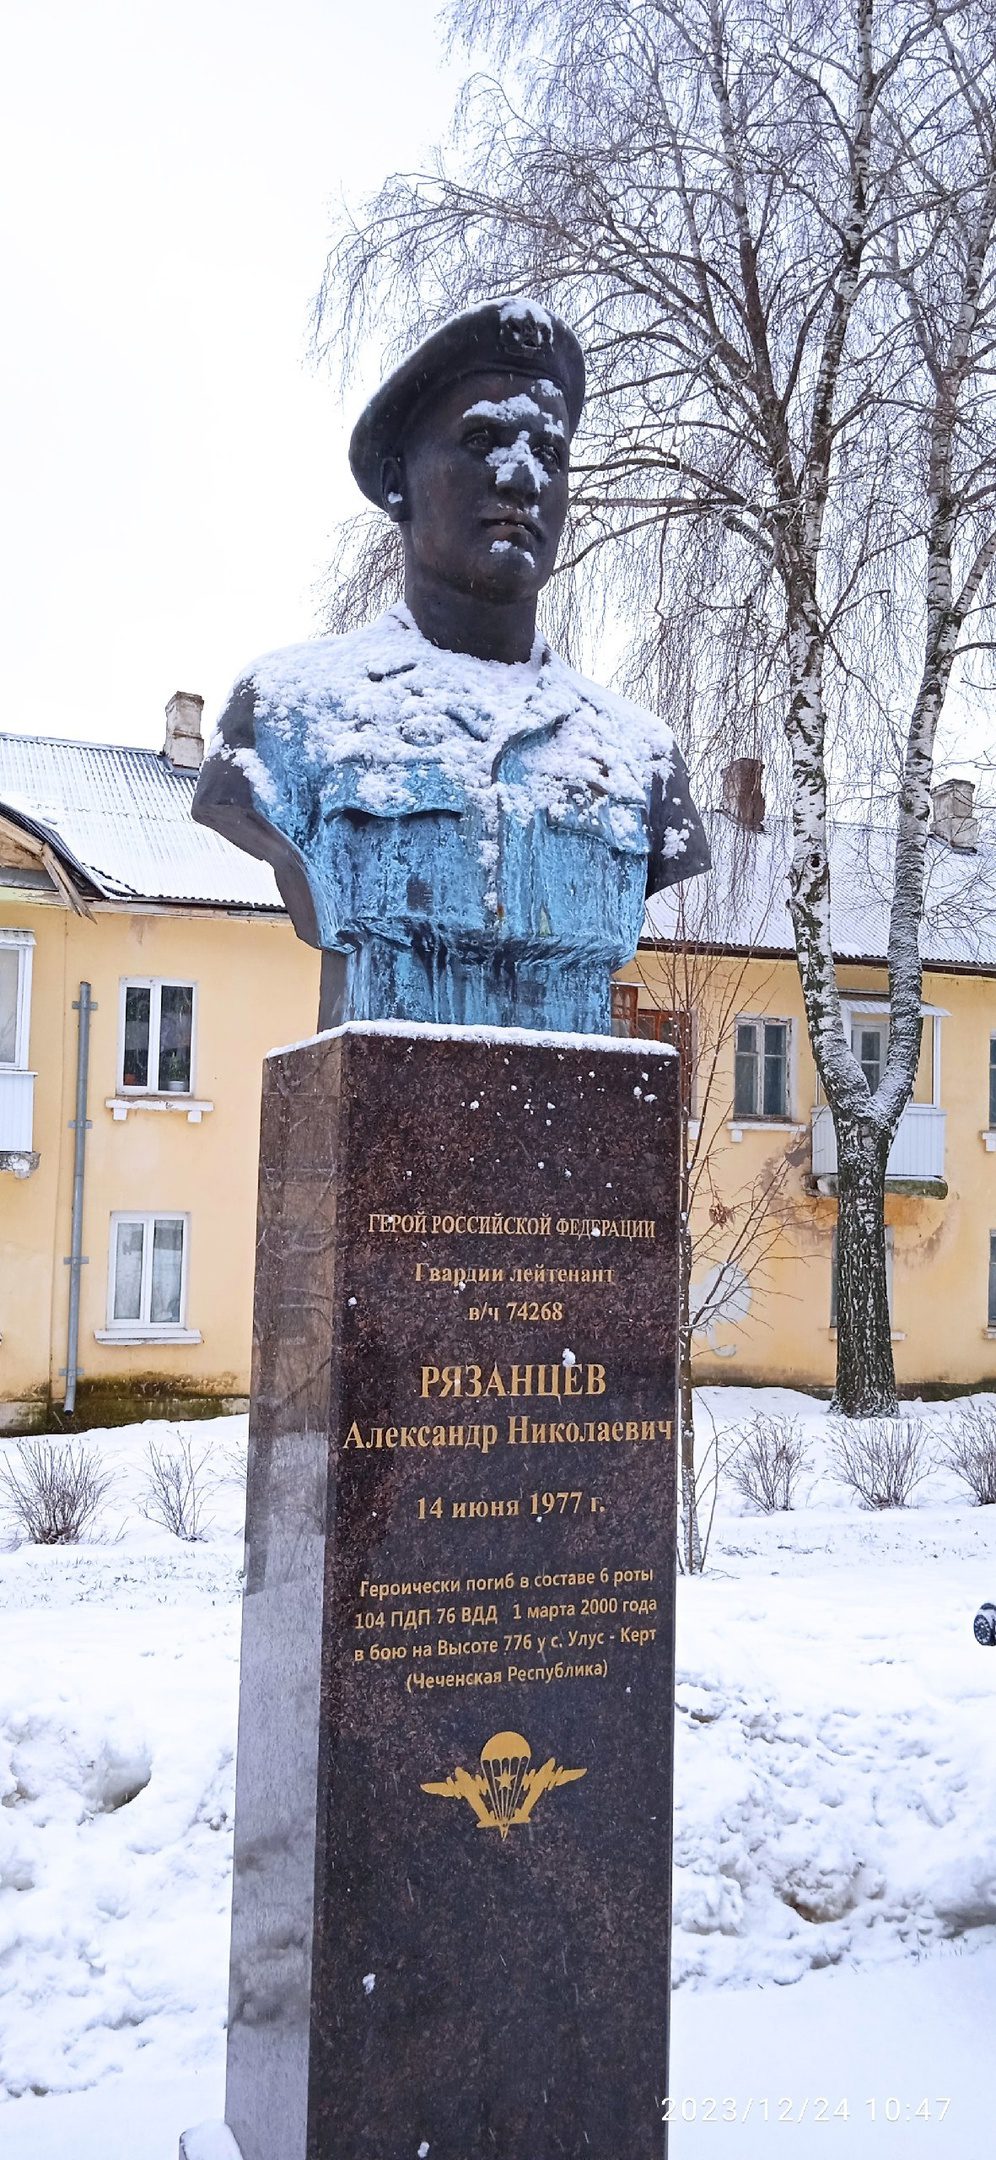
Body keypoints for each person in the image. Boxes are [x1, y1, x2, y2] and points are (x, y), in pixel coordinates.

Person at [192, 297, 708, 1032]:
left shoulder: (641, 756)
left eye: (550, 455)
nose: (523, 479)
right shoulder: (287, 711)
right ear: (398, 480)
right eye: (483, 441)